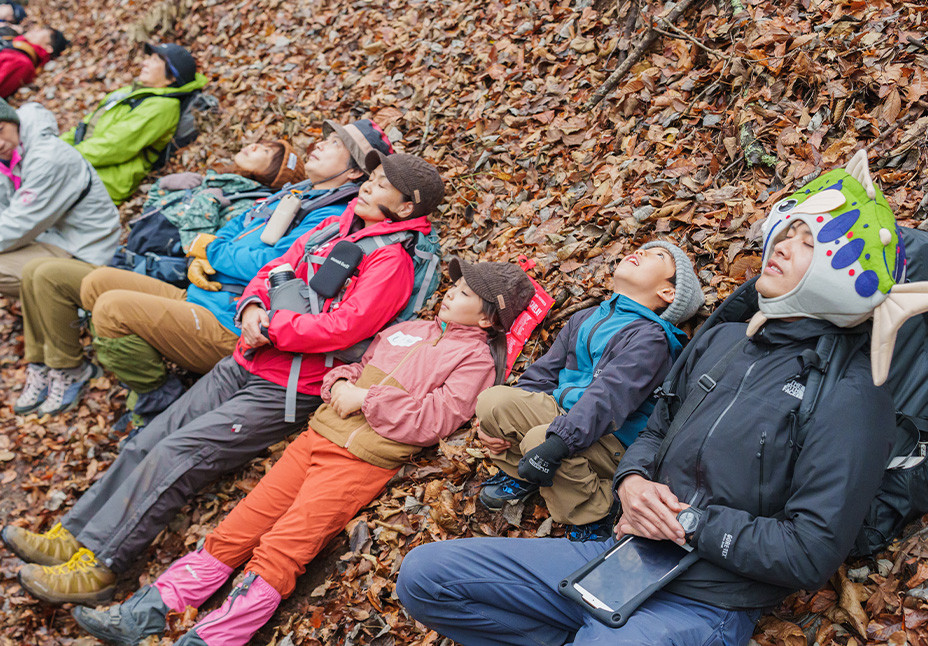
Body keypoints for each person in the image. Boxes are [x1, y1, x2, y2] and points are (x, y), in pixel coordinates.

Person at [396, 152, 928, 645]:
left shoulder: (853, 394)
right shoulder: (721, 340)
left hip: (706, 600)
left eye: (809, 241)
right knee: (426, 577)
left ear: (853, 269)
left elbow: (810, 551)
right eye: (786, 231)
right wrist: (632, 482)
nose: (783, 245)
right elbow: (657, 427)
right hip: (614, 563)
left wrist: (690, 524)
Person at [2, 151, 446, 607]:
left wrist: (273, 328)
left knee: (180, 454)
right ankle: (72, 535)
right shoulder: (336, 225)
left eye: (381, 183)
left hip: (289, 386)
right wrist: (251, 307)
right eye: (369, 176)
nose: (369, 185)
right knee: (149, 439)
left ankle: (99, 565)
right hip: (246, 358)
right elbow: (273, 269)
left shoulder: (390, 261)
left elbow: (347, 327)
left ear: (407, 208)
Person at [71, 259, 536, 646]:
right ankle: (149, 612)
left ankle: (211, 639)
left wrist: (368, 400)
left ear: (486, 319)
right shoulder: (408, 330)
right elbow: (357, 366)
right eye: (454, 284)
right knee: (239, 527)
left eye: (466, 292)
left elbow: (437, 418)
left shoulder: (474, 360)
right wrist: (339, 382)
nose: (452, 292)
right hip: (315, 438)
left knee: (282, 549)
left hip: (360, 459)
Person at [13, 119, 391, 424]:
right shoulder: (296, 192)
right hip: (203, 293)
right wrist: (212, 249)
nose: (320, 143)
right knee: (96, 282)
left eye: (336, 144)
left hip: (229, 318)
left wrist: (212, 251)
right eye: (325, 136)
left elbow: (268, 264)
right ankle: (135, 362)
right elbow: (230, 228)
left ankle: (158, 399)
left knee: (111, 308)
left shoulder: (330, 215)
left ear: (356, 171)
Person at [474, 241, 702, 540]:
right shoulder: (586, 318)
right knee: (494, 400)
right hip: (567, 418)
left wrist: (558, 442)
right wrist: (502, 423)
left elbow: (608, 398)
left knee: (540, 438)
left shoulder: (652, 338)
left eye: (659, 256)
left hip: (612, 441)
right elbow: (543, 374)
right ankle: (522, 472)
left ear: (667, 293)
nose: (642, 252)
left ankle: (595, 514)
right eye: (644, 249)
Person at [60, 42, 207, 204]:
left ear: (172, 77)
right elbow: (83, 126)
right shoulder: (129, 92)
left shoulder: (162, 107)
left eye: (156, 60)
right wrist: (54, 148)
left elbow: (114, 146)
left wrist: (62, 158)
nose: (145, 62)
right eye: (149, 57)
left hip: (100, 182)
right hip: (77, 165)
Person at [0, 99, 118, 298]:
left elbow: (19, 223)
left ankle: (71, 302)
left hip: (85, 250)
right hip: (51, 238)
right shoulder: (9, 155)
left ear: (13, 120)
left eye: (0, 129)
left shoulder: (48, 157)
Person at [0, 26, 67, 99]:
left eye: (41, 30)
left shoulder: (22, 63)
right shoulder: (16, 48)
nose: (35, 29)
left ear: (48, 48)